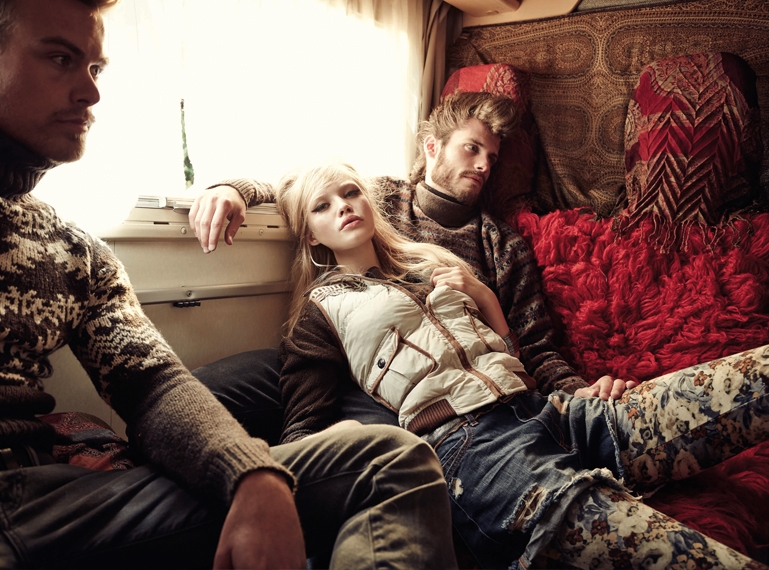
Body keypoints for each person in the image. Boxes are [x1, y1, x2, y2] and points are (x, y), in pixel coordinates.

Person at [0, 0, 459, 568]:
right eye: (60, 59)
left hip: (40, 498)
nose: (91, 93)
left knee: (393, 461)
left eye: (95, 68)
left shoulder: (73, 251)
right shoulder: (331, 289)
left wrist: (252, 474)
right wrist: (235, 188)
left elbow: (153, 386)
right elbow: (296, 183)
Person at [271, 160, 769, 570]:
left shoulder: (427, 262)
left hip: (551, 413)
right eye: (322, 205)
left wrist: (480, 293)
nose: (343, 206)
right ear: (309, 234)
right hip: (476, 454)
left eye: (351, 192)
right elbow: (302, 434)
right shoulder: (319, 312)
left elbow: (505, 350)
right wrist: (236, 191)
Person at [190, 92, 634, 445]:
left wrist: (577, 391)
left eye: (492, 157)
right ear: (432, 147)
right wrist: (234, 190)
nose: (483, 165)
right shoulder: (379, 197)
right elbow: (307, 192)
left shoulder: (502, 244)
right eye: (472, 148)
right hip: (349, 352)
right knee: (211, 387)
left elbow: (534, 344)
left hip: (443, 386)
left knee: (367, 428)